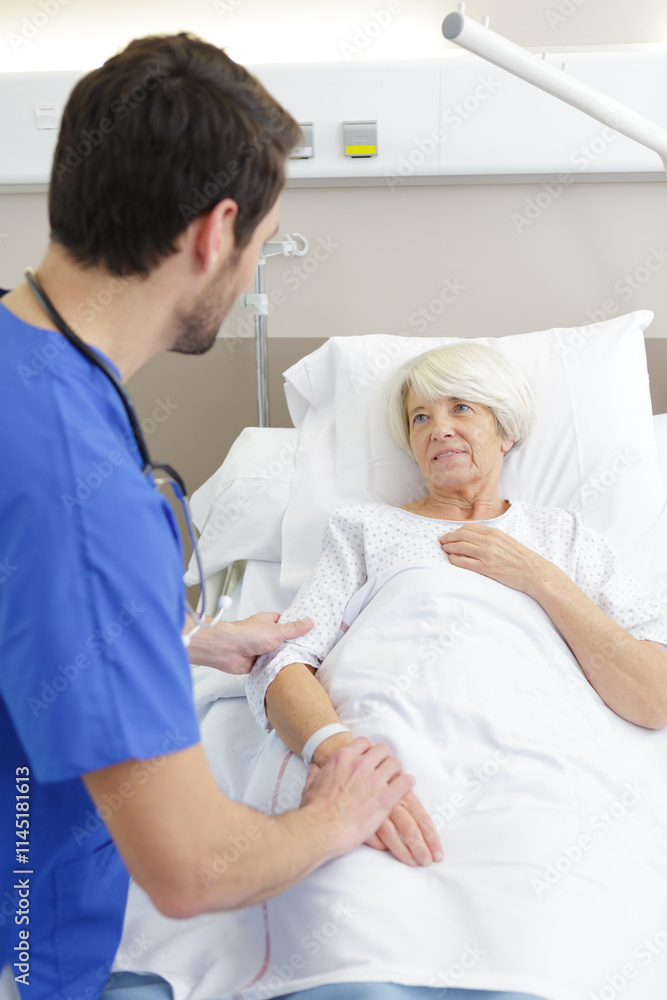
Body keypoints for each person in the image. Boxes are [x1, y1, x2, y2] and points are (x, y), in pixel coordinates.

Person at [0, 34, 419, 1000]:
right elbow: (193, 869)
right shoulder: (90, 498)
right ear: (213, 231)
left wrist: (164, 637)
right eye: (262, 247)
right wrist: (333, 815)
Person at [242, 340, 667, 1000]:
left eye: (460, 408)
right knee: (354, 933)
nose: (437, 428)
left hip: (538, 767)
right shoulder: (362, 529)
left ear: (504, 429)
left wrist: (540, 580)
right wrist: (338, 754)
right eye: (418, 418)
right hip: (385, 761)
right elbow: (284, 661)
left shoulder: (565, 540)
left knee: (550, 930)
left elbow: (652, 695)